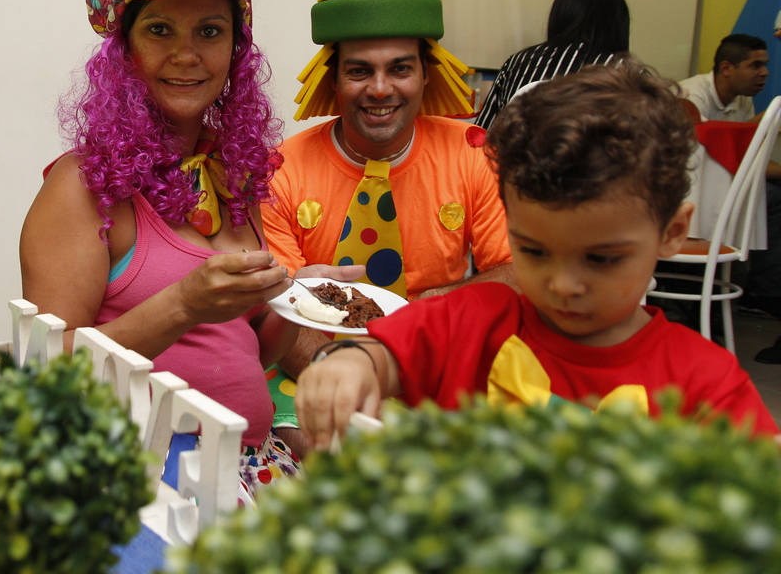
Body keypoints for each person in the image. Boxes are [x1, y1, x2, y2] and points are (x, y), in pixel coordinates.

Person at [20, 0, 356, 496]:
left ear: (235, 49)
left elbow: (248, 352)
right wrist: (182, 304)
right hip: (146, 484)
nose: (186, 55)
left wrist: (294, 299)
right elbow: (45, 374)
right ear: (125, 50)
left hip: (253, 466)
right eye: (159, 30)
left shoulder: (233, 174)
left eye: (210, 31)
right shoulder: (83, 186)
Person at [295, 62, 779, 448]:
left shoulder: (706, 385)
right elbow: (383, 355)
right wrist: (349, 365)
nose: (563, 284)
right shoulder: (472, 320)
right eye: (533, 251)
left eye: (602, 259)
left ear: (671, 233)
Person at [260, 0, 514, 447]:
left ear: (426, 74)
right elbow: (275, 304)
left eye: (400, 68)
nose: (380, 89)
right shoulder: (279, 170)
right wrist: (347, 379)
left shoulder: (474, 154)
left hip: (436, 359)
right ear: (332, 79)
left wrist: (435, 308)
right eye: (359, 71)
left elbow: (517, 274)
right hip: (314, 370)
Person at [678, 35, 781, 359]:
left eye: (765, 64)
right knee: (772, 197)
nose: (765, 73)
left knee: (772, 194)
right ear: (726, 68)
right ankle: (762, 292)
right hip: (684, 192)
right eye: (756, 65)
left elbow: (742, 160)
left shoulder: (743, 102)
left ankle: (762, 291)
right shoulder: (691, 97)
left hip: (716, 188)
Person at [474, 0, 629, 129]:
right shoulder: (629, 75)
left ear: (560, 15)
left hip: (519, 145)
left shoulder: (518, 63)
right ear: (619, 24)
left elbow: (480, 135)